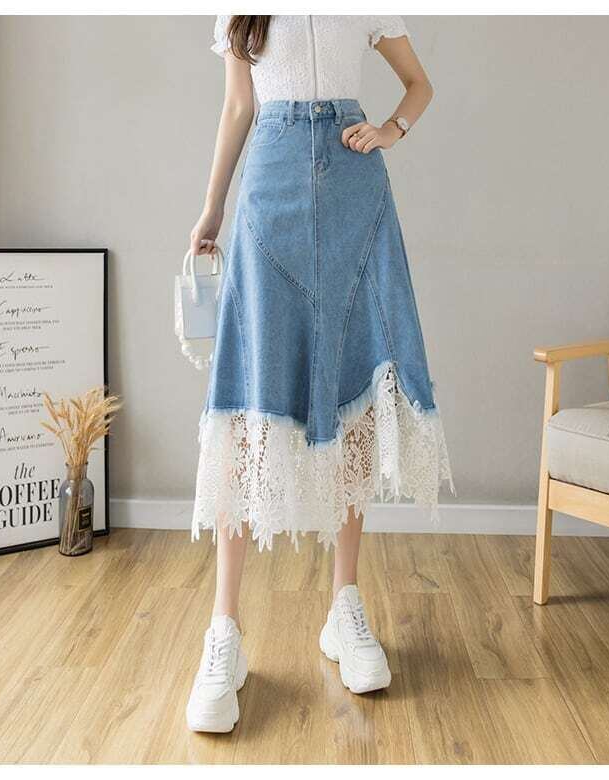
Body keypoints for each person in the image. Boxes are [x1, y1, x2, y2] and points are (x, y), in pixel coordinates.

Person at [186, 14, 453, 733]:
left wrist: (391, 129)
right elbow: (238, 106)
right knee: (248, 398)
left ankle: (344, 607)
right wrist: (212, 209)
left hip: (354, 192)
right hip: (269, 184)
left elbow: (418, 84)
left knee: (355, 389)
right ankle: (224, 633)